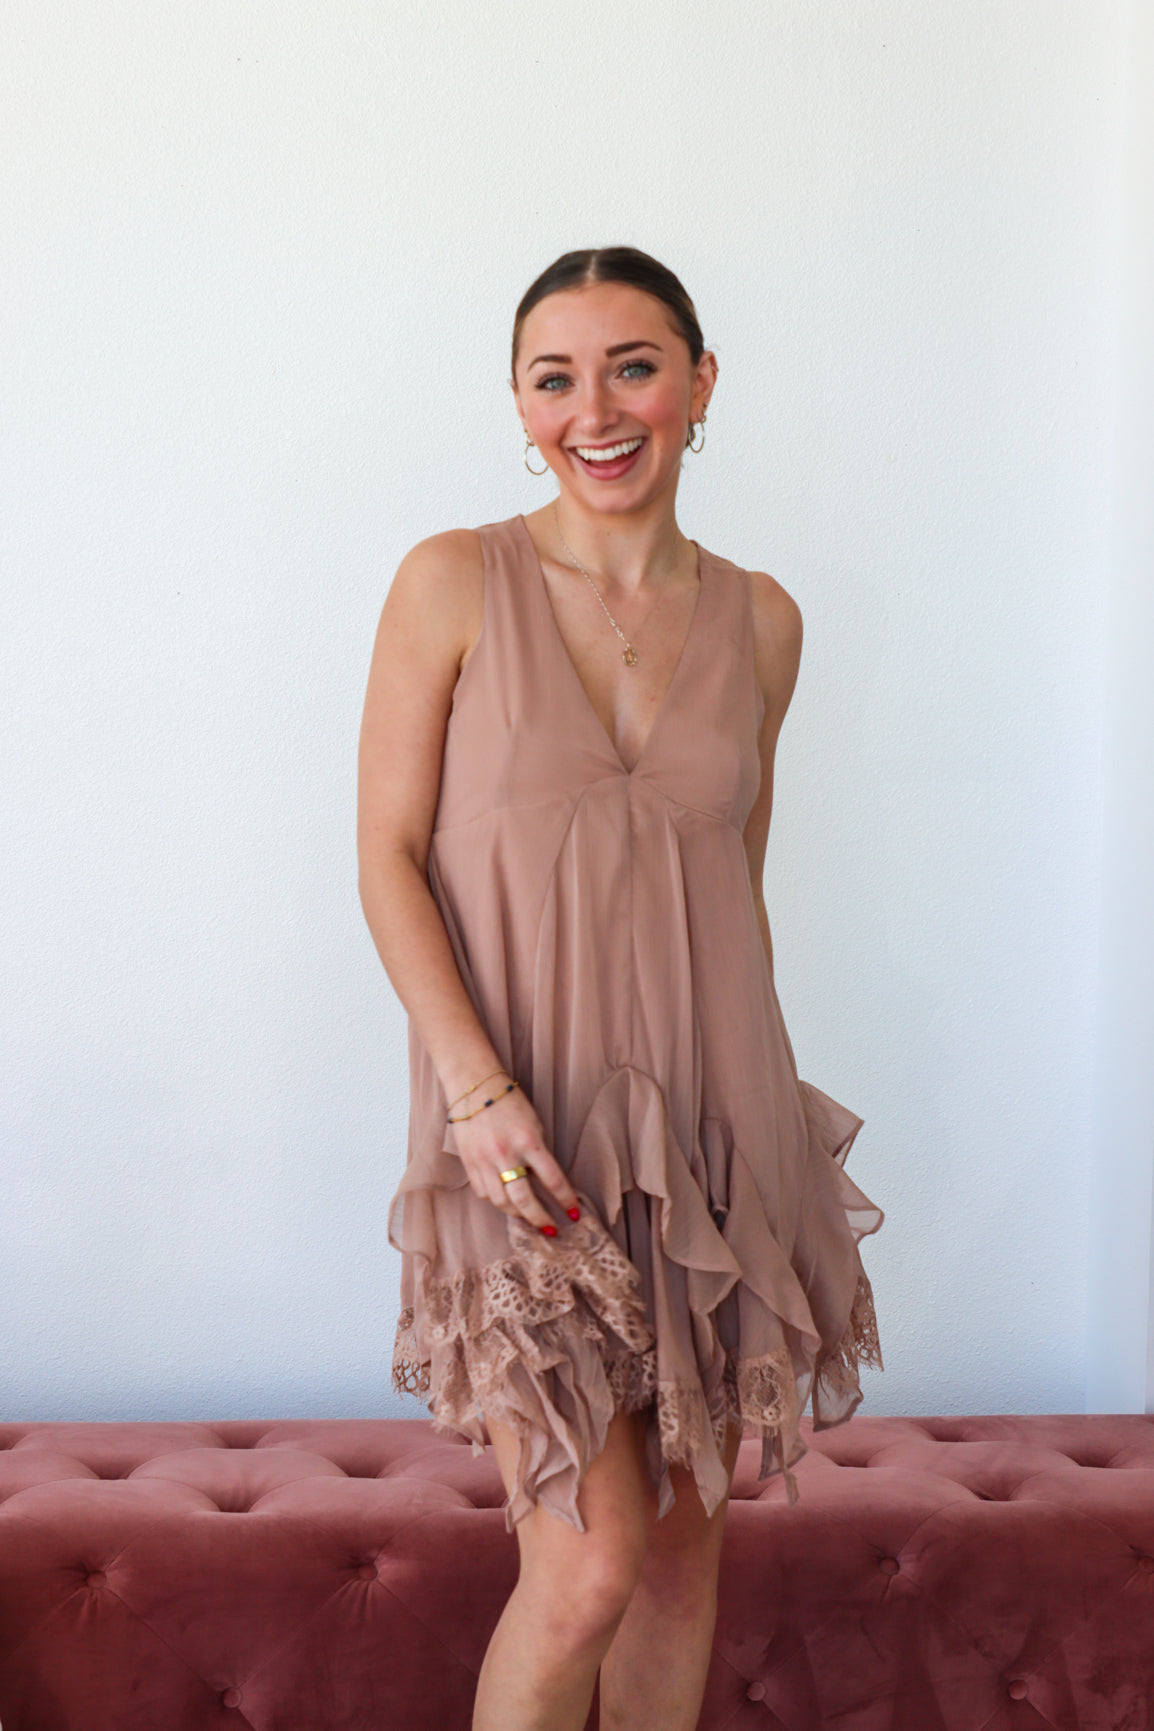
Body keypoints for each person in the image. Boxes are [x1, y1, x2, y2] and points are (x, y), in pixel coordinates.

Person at [357, 245, 884, 1731]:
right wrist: (475, 1092)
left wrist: (756, 1149)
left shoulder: (763, 621)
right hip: (523, 1142)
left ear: (699, 384)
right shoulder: (452, 579)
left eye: (633, 365)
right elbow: (386, 859)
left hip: (721, 1149)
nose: (596, 408)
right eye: (554, 376)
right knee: (585, 1571)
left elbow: (734, 888)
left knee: (676, 1562)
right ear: (521, 405)